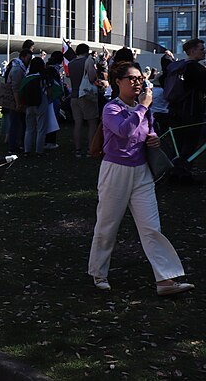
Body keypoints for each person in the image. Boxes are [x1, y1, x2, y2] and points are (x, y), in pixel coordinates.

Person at [88, 62, 194, 296]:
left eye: (139, 79)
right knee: (107, 225)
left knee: (151, 227)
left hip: (142, 173)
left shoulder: (143, 109)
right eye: (132, 79)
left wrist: (153, 138)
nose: (137, 83)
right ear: (118, 82)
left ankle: (165, 280)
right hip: (115, 171)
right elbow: (124, 131)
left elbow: (148, 130)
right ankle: (98, 272)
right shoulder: (111, 109)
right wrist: (143, 107)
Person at [165, 38, 206, 182]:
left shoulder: (178, 67)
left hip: (176, 110)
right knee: (189, 144)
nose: (204, 51)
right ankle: (183, 173)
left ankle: (176, 171)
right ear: (192, 50)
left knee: (179, 144)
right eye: (201, 49)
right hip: (192, 111)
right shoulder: (196, 68)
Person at [68, 43, 99, 158]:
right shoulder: (88, 61)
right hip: (86, 95)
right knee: (92, 123)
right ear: (86, 51)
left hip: (74, 95)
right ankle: (90, 148)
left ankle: (78, 149)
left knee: (78, 123)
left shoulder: (71, 64)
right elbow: (92, 77)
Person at [19, 58, 49, 155]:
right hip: (41, 102)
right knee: (41, 128)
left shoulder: (27, 78)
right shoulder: (43, 77)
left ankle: (27, 150)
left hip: (29, 104)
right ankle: (39, 150)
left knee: (29, 128)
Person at [6, 49, 32, 154]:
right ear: (24, 57)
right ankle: (14, 145)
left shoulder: (18, 67)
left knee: (18, 123)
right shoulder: (17, 70)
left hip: (17, 100)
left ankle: (18, 143)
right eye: (28, 58)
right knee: (16, 123)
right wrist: (18, 103)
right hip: (16, 100)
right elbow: (15, 88)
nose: (29, 61)